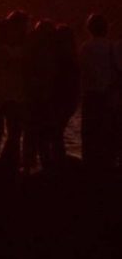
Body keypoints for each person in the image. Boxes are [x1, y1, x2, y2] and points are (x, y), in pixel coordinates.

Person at [0, 10, 29, 168]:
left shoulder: (1, 44)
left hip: (12, 93)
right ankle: (4, 161)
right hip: (5, 93)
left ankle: (7, 160)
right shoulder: (1, 45)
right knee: (5, 131)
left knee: (14, 131)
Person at [80, 13, 116, 170]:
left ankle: (89, 163)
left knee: (89, 131)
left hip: (90, 94)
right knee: (107, 131)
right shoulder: (112, 47)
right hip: (108, 94)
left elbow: (82, 71)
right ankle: (106, 163)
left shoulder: (85, 48)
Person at [22, 19, 58, 171]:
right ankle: (45, 164)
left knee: (31, 133)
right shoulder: (53, 51)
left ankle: (29, 165)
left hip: (33, 97)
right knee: (43, 134)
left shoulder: (31, 48)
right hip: (44, 97)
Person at [51, 24, 80, 164]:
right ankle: (59, 157)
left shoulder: (58, 58)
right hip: (70, 98)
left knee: (56, 131)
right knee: (58, 130)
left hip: (60, 98)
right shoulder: (74, 56)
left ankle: (57, 158)